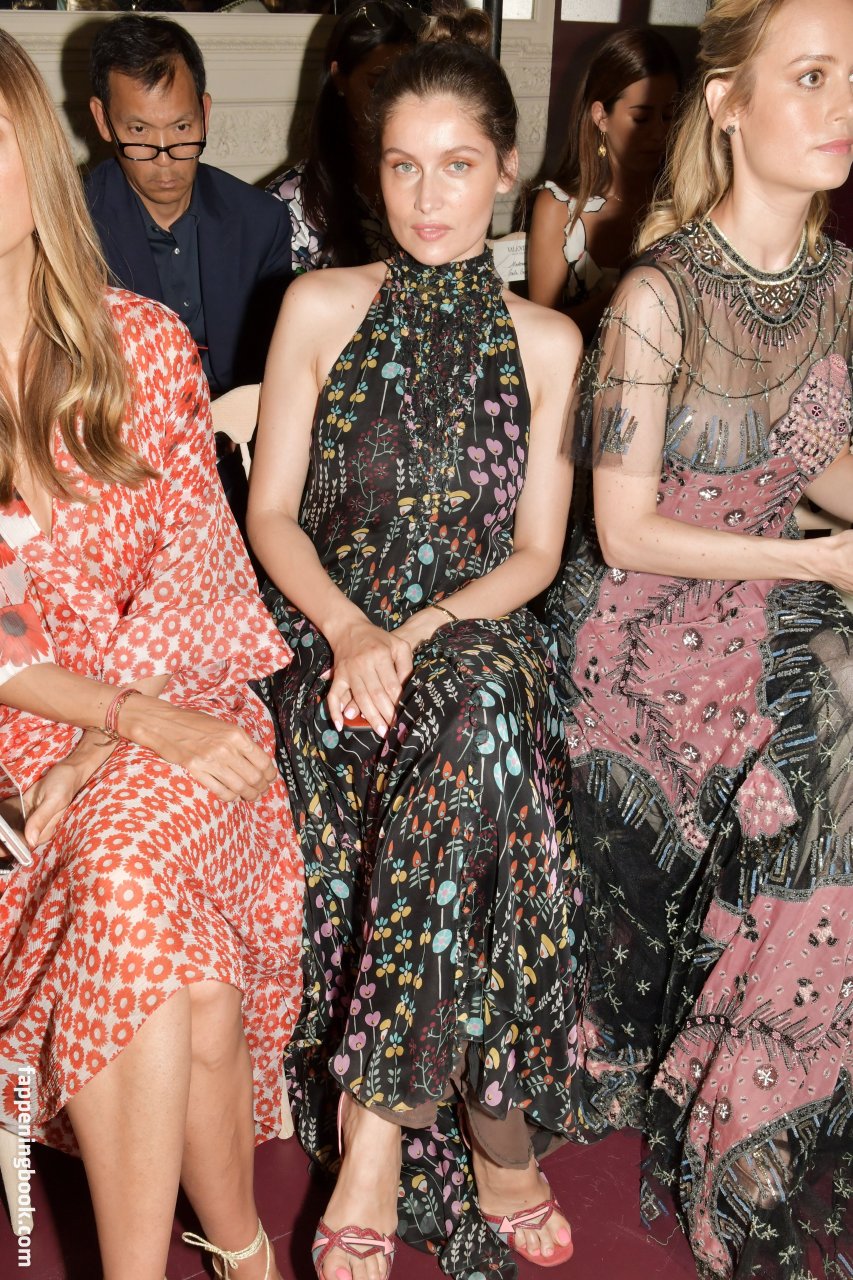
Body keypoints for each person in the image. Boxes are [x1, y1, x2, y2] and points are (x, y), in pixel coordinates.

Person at [248, 8, 583, 1277]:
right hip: (326, 623)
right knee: (470, 740)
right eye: (402, 165)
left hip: (470, 624)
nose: (428, 196)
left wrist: (421, 629)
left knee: (479, 699)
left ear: (506, 170)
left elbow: (535, 554)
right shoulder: (317, 305)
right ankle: (498, 1132)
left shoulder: (549, 340)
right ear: (371, 170)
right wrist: (351, 630)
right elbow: (272, 514)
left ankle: (375, 1125)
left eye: (457, 165)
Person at [545, 0, 853, 1276]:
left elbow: (809, 462)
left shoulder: (835, 281)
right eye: (811, 75)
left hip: (770, 589)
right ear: (726, 104)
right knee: (840, 727)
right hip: (643, 630)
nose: (842, 104)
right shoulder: (654, 296)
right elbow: (623, 532)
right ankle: (752, 1137)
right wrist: (818, 559)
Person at [0, 31, 302, 1280]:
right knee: (175, 959)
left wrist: (115, 735)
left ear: (35, 146)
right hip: (39, 737)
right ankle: (240, 1250)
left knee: (127, 861)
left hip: (189, 697)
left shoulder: (146, 345)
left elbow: (199, 575)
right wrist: (99, 728)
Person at [85, 14, 293, 527]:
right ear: (103, 121)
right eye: (138, 132)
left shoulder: (259, 221)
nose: (165, 160)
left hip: (239, 474)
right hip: (120, 482)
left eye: (181, 129)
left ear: (205, 113)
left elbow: (273, 374)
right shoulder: (71, 225)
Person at [527, 27, 680, 344]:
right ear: (601, 116)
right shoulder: (558, 208)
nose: (658, 133)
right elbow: (540, 335)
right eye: (641, 118)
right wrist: (622, 294)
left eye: (668, 116)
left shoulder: (683, 202)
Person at [267, 0, 420, 271]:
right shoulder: (288, 205)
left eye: (407, 86)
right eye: (378, 84)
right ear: (339, 77)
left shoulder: (433, 185)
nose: (394, 102)